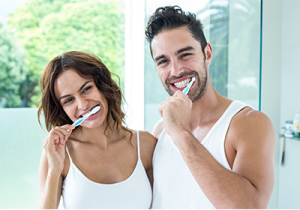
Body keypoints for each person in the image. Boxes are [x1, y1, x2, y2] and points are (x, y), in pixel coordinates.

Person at [145, 5, 275, 209]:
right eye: (163, 61)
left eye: (185, 55)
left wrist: (180, 132)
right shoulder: (161, 129)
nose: (176, 70)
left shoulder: (248, 124)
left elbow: (250, 206)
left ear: (207, 54)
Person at [37, 51, 156, 209]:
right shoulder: (58, 153)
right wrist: (54, 171)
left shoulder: (146, 144)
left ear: (103, 85)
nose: (82, 105)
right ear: (61, 109)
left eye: (86, 89)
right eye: (69, 100)